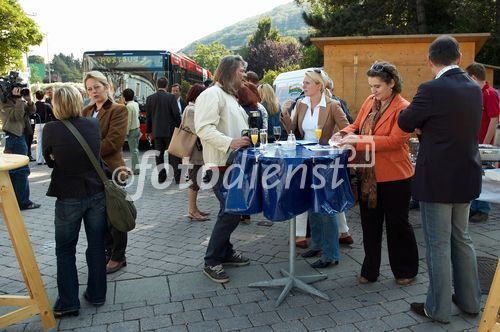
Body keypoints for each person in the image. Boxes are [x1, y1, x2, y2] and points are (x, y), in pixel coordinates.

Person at [398, 35, 482, 323]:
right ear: (459, 58)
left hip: (437, 180)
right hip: (467, 175)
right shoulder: (475, 88)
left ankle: (438, 308)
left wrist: (424, 125)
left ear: (429, 60)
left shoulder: (431, 89)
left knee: (438, 244)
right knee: (462, 239)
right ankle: (471, 302)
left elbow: (405, 122)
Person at [333, 61, 419, 285]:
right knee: (369, 225)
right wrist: (342, 133)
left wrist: (357, 141)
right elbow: (357, 125)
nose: (373, 91)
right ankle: (370, 270)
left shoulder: (403, 107)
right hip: (369, 175)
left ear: (392, 83)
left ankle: (405, 271)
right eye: (371, 86)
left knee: (397, 225)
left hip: (396, 177)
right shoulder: (370, 101)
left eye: (377, 86)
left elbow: (393, 141)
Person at [43, 85, 107, 318]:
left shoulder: (51, 128)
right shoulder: (93, 123)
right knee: (97, 245)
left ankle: (69, 302)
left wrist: (55, 156)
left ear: (57, 105)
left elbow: (50, 162)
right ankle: (97, 294)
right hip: (96, 193)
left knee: (65, 250)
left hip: (68, 196)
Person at [281, 68, 349, 268]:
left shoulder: (332, 105)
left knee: (326, 208)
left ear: (319, 85)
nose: (304, 86)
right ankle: (317, 244)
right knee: (311, 204)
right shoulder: (301, 105)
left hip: (325, 162)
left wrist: (339, 137)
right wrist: (284, 112)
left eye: (307, 83)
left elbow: (347, 128)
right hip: (305, 160)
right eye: (304, 83)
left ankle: (331, 254)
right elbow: (292, 130)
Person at [195, 55, 251, 283]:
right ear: (229, 71)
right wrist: (231, 142)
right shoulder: (211, 95)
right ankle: (211, 261)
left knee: (230, 212)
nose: (244, 75)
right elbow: (203, 129)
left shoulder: (228, 96)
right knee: (231, 212)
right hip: (220, 164)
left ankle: (225, 252)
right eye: (241, 71)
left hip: (232, 164)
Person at [82, 71, 129, 274]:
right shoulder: (85, 111)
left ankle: (118, 256)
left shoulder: (118, 110)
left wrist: (83, 150)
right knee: (98, 217)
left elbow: (113, 142)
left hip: (111, 169)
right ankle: (108, 251)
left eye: (97, 87)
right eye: (89, 89)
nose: (93, 92)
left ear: (107, 87)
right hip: (90, 173)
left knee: (115, 216)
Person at [466, 62, 500, 223]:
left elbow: (494, 120)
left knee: (483, 176)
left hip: (483, 145)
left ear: (473, 77)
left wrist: (485, 144)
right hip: (475, 142)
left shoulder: (489, 94)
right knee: (474, 175)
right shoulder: (478, 93)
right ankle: (474, 206)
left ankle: (483, 210)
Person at [0, 83, 41, 210]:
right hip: (14, 137)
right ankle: (23, 202)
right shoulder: (5, 103)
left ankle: (15, 201)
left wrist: (29, 100)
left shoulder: (18, 101)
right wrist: (18, 100)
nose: (19, 91)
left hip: (21, 136)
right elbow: (16, 116)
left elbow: (32, 111)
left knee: (16, 171)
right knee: (20, 171)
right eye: (16, 89)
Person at [324, 76, 354, 245]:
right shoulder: (303, 103)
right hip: (317, 155)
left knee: (332, 193)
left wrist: (340, 137)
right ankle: (343, 232)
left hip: (333, 153)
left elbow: (347, 124)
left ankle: (341, 234)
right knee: (330, 193)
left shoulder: (336, 103)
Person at [146, 77, 182, 184]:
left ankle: (161, 176)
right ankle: (177, 177)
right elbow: (176, 114)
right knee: (174, 155)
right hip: (170, 131)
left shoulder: (150, 98)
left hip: (157, 132)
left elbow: (148, 117)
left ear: (157, 85)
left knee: (159, 155)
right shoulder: (171, 97)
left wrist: (149, 131)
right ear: (167, 86)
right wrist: (179, 127)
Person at [182, 83, 210, 221]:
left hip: (196, 151)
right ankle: (192, 211)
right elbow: (196, 130)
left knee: (196, 180)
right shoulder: (191, 110)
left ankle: (194, 209)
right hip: (194, 151)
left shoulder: (191, 108)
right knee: (194, 180)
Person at [123, 88, 141, 175]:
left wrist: (126, 132)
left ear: (124, 97)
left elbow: (128, 121)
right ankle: (136, 168)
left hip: (132, 130)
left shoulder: (128, 107)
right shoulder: (136, 104)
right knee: (136, 149)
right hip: (137, 128)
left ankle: (136, 169)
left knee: (133, 151)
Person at [34, 90, 53, 164]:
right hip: (46, 124)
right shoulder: (47, 105)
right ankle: (46, 159)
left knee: (39, 142)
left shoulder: (35, 105)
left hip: (38, 124)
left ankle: (39, 160)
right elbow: (53, 114)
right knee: (46, 142)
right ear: (43, 96)